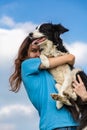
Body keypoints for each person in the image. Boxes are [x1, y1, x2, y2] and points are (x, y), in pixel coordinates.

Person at [9, 36, 86, 130]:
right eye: (33, 51)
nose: (38, 54)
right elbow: (70, 58)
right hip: (55, 125)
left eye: (40, 50)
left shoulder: (53, 70)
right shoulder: (27, 65)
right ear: (25, 54)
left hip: (76, 124)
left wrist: (84, 96)